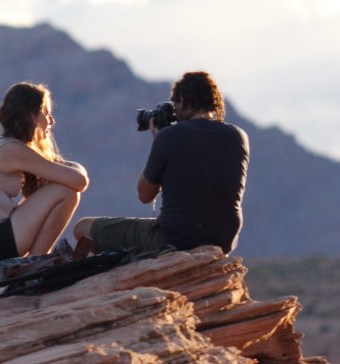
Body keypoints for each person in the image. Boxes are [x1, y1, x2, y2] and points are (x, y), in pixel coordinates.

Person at [73, 71, 249, 256]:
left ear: (181, 99)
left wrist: (158, 140)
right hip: (223, 240)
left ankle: (131, 270)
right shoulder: (238, 136)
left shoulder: (169, 137)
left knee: (83, 228)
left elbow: (144, 195)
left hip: (176, 239)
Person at [0, 82, 89, 269]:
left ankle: (37, 261)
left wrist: (66, 168)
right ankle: (35, 263)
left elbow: (65, 175)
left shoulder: (7, 146)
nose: (51, 121)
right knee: (66, 191)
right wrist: (78, 168)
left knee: (64, 189)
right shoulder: (12, 150)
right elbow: (79, 181)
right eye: (45, 113)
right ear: (31, 116)